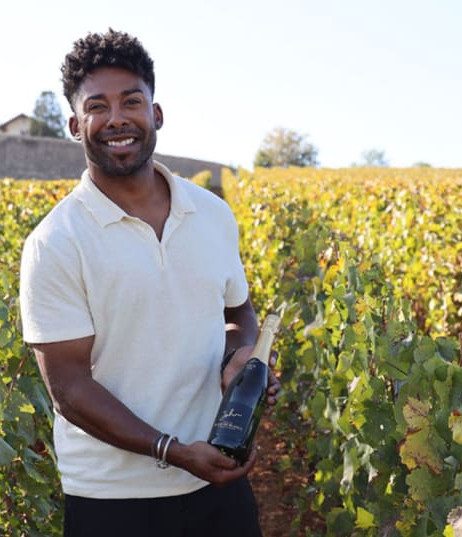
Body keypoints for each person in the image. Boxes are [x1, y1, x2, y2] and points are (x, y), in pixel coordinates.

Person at [19, 29, 280, 537]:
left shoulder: (212, 213)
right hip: (112, 500)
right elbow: (69, 389)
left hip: (218, 481)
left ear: (155, 114)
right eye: (98, 106)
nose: (117, 118)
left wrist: (241, 359)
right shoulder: (55, 242)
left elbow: (238, 312)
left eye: (132, 101)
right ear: (76, 125)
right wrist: (173, 451)